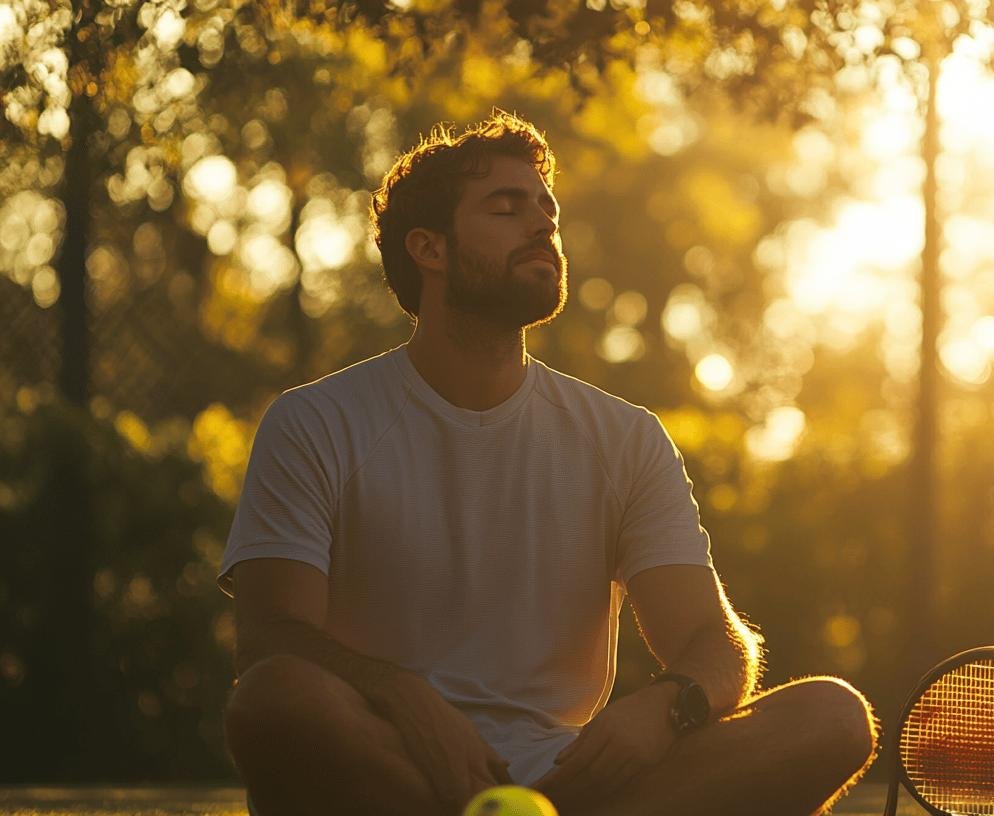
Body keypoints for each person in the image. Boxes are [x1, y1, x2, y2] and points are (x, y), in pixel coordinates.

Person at [218, 112, 878, 816]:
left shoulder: (625, 437)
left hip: (576, 786)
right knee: (276, 699)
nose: (542, 224)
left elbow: (712, 642)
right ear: (429, 249)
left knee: (831, 716)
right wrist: (405, 695)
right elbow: (271, 640)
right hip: (398, 765)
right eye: (506, 208)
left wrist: (666, 707)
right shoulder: (317, 421)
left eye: (546, 209)